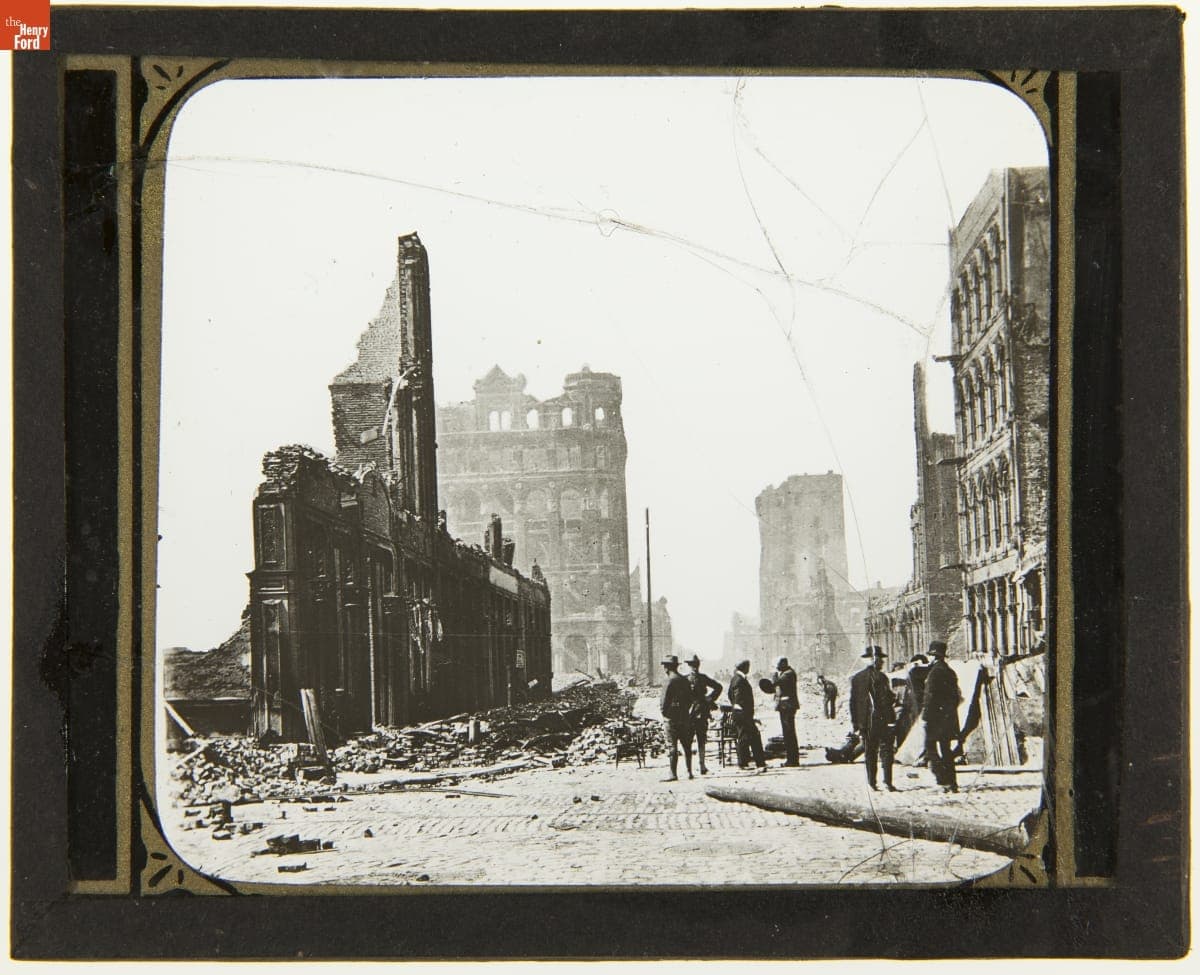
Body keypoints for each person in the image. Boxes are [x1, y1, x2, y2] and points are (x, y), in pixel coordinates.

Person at [849, 646, 897, 791]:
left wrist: (856, 724)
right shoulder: (882, 677)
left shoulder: (856, 678)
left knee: (869, 752)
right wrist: (891, 717)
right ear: (875, 660)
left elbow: (853, 703)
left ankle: (872, 782)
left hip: (865, 723)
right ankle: (887, 782)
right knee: (886, 751)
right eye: (881, 659)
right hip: (882, 720)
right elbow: (885, 700)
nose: (882, 662)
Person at [922, 640, 961, 793]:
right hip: (948, 718)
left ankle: (941, 779)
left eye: (931, 655)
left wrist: (926, 717)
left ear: (934, 656)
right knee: (946, 750)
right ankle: (952, 783)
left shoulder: (934, 673)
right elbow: (956, 697)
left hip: (934, 718)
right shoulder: (950, 672)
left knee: (930, 747)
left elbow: (930, 697)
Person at [684, 654, 723, 775]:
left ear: (698, 665)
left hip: (701, 712)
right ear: (689, 666)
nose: (694, 667)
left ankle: (702, 766)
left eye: (696, 665)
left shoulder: (703, 678)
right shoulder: (684, 680)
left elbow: (718, 687)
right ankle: (689, 770)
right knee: (687, 741)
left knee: (701, 739)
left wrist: (709, 699)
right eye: (692, 665)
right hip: (688, 714)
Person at [658, 654, 695, 781]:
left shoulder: (668, 681)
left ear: (667, 667)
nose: (664, 669)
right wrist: (684, 710)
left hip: (671, 719)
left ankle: (673, 774)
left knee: (672, 746)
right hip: (684, 717)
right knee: (687, 745)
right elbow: (690, 699)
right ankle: (689, 772)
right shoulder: (684, 680)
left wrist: (666, 714)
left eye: (665, 666)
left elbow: (663, 703)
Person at [727, 659, 767, 772]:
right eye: (748, 666)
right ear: (744, 668)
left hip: (741, 714)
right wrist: (742, 710)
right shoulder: (739, 680)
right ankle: (746, 763)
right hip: (742, 714)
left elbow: (730, 695)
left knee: (749, 737)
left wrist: (735, 705)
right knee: (746, 737)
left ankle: (756, 763)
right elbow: (739, 699)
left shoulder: (736, 678)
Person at [768, 657, 800, 766]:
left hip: (787, 706)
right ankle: (792, 759)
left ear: (783, 664)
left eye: (777, 664)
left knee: (789, 733)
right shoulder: (787, 673)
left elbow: (776, 682)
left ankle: (792, 760)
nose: (776, 667)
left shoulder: (788, 674)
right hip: (786, 706)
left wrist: (774, 674)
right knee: (788, 733)